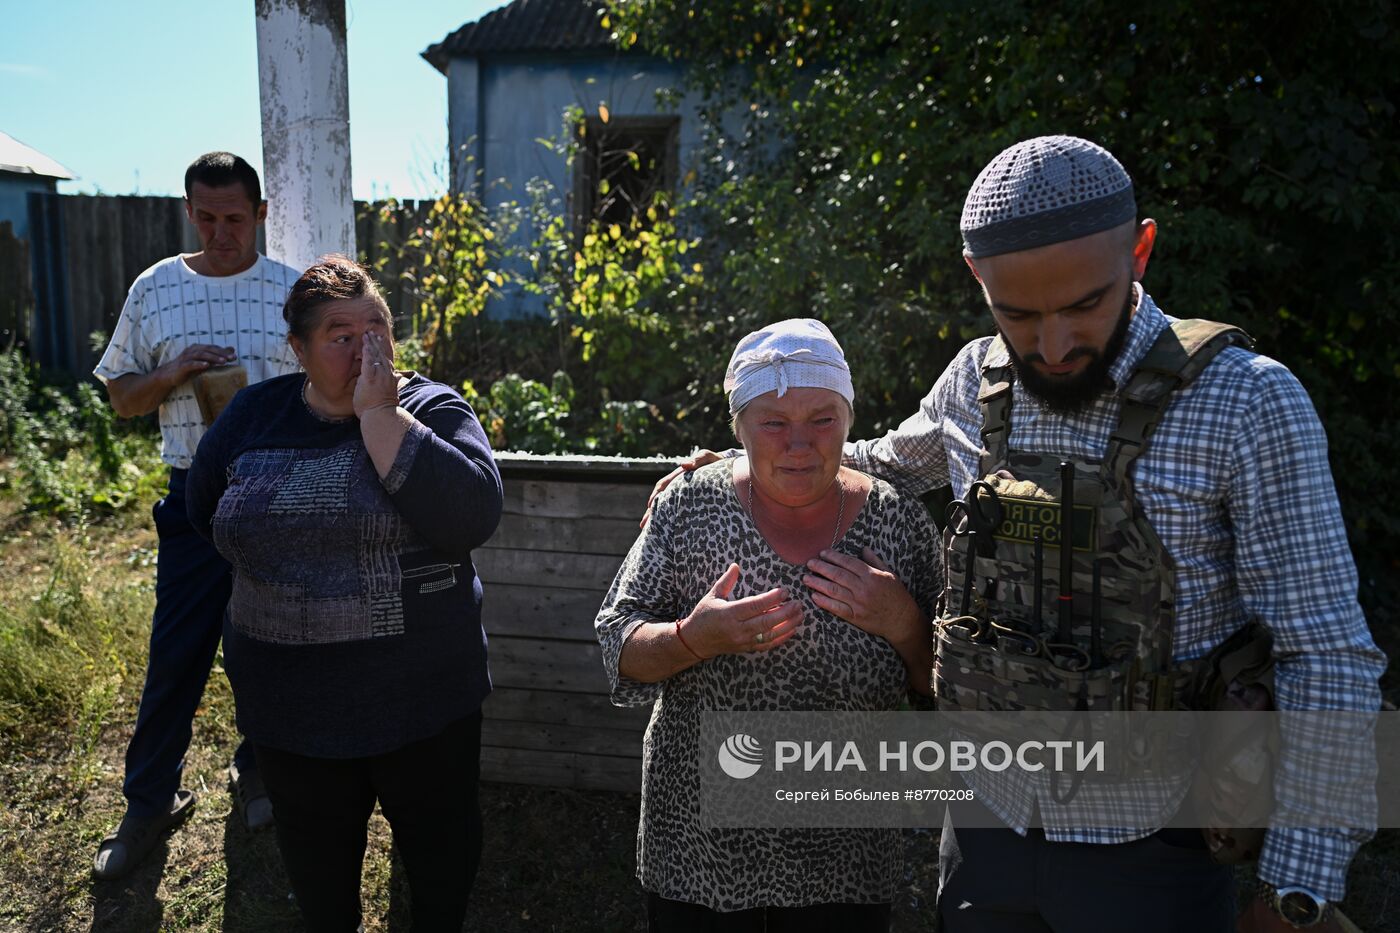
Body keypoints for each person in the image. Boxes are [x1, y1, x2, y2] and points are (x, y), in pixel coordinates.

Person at [651, 136, 1384, 932]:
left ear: (1140, 250)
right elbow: (879, 458)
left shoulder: (1248, 402)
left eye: (1085, 305)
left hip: (1156, 848)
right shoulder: (975, 379)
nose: (1054, 346)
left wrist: (1295, 891)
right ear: (978, 276)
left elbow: (1327, 654)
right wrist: (744, 458)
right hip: (983, 829)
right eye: (1020, 314)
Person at [184, 255, 501, 932]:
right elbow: (204, 509)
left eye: (377, 328)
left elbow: (471, 516)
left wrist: (380, 416)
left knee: (440, 865)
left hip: (423, 703)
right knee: (321, 879)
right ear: (298, 349)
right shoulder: (254, 414)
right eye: (341, 335)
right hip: (291, 708)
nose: (367, 349)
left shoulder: (433, 409)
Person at [597, 319, 940, 931]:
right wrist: (692, 639)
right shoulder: (690, 505)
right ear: (739, 429)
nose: (799, 444)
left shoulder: (900, 523)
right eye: (773, 423)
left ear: (850, 420)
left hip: (846, 852)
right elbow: (618, 645)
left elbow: (946, 691)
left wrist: (906, 624)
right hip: (701, 849)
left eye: (822, 419)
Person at [91, 152, 302, 880]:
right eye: (206, 218)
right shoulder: (156, 288)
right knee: (176, 655)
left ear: (261, 214)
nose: (221, 233)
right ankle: (149, 804)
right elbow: (122, 398)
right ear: (188, 212)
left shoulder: (290, 292)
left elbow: (320, 393)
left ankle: (261, 772)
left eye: (235, 218)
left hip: (275, 496)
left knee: (269, 651)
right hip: (192, 497)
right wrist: (172, 372)